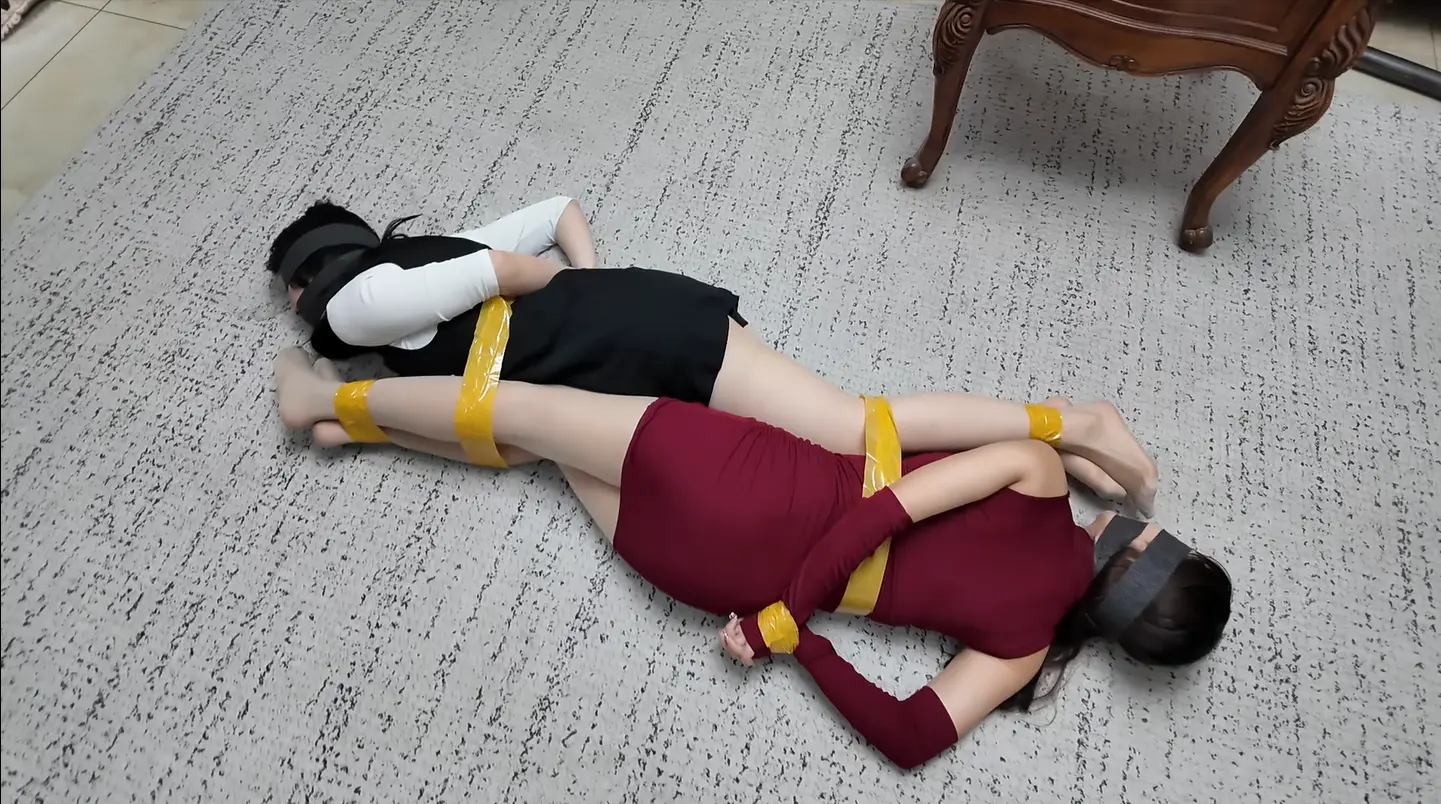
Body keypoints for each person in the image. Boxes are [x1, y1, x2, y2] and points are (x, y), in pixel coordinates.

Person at [273, 349, 1232, 769]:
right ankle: (359, 433)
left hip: (746, 486)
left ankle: (324, 402)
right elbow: (909, 739)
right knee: (543, 451)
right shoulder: (1023, 653)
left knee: (522, 409)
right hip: (716, 579)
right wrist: (794, 635)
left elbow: (881, 511)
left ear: (1144, 547)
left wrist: (795, 612)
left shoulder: (1035, 472)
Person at [266, 197, 1160, 513]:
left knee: (850, 430)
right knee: (831, 453)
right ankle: (1044, 444)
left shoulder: (356, 305)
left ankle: (1075, 423)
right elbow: (556, 209)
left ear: (310, 281)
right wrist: (592, 284)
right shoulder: (415, 264)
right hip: (632, 332)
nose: (299, 311)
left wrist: (577, 297)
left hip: (642, 338)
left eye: (291, 293)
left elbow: (506, 269)